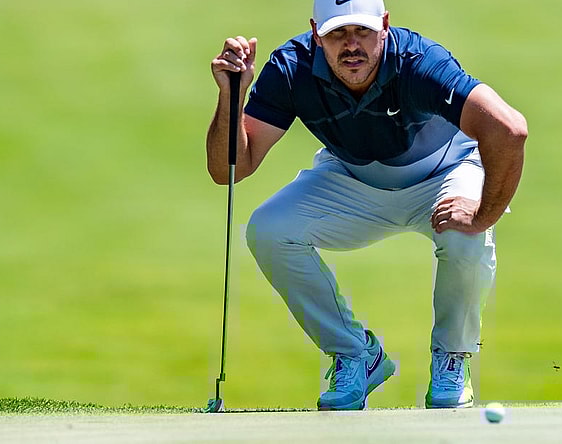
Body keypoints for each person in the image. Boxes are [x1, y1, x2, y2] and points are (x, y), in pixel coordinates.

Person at [207, 0, 527, 410]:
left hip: (444, 172)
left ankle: (451, 356)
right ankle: (354, 353)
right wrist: (232, 96)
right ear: (316, 33)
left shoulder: (419, 62)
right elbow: (228, 169)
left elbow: (510, 129)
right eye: (337, 33)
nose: (351, 45)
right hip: (352, 179)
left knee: (465, 236)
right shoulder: (292, 68)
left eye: (362, 31)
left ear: (385, 26)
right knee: (268, 229)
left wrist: (484, 214)